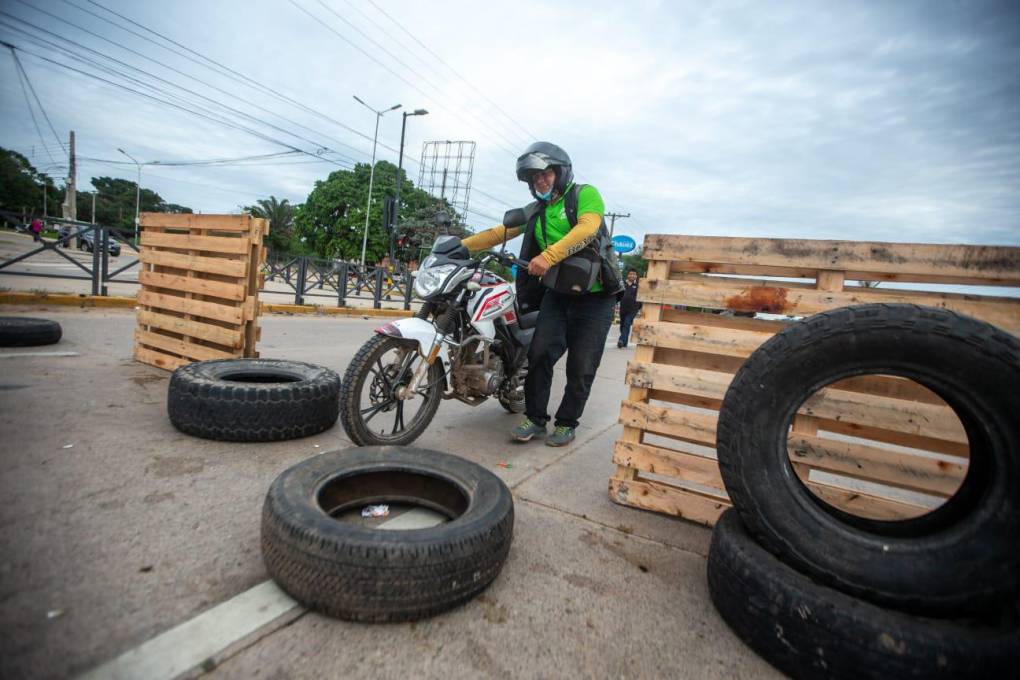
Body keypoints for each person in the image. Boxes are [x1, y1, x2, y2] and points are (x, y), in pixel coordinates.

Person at [462, 142, 621, 447]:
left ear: (560, 172)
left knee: (581, 366)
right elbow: (499, 233)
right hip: (558, 295)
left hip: (596, 299)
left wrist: (549, 256)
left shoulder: (585, 195)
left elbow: (588, 229)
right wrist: (459, 245)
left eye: (545, 175)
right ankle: (535, 418)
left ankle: (566, 422)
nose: (540, 182)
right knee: (539, 354)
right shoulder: (537, 210)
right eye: (534, 179)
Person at [617, 268, 642, 348]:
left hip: (633, 308)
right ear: (627, 275)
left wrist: (640, 307)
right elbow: (618, 294)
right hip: (623, 307)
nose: (632, 275)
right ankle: (624, 342)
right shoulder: (623, 283)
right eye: (630, 274)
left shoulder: (639, 285)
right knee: (622, 324)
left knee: (627, 323)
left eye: (634, 274)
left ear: (636, 276)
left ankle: (621, 340)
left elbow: (641, 296)